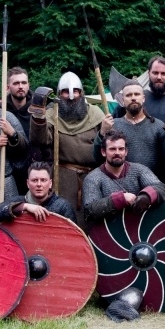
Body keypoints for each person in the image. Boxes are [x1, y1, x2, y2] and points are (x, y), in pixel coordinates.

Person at [30, 71, 104, 228]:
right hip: (62, 178)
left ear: (81, 93)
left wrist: (106, 132)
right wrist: (39, 118)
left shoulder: (96, 113)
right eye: (65, 92)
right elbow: (40, 140)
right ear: (59, 93)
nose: (71, 96)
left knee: (93, 219)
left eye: (75, 91)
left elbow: (106, 147)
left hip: (92, 176)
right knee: (65, 221)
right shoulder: (52, 115)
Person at [81, 130, 165, 225]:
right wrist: (120, 199)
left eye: (121, 149)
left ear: (126, 152)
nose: (117, 153)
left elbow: (160, 188)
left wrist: (146, 197)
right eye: (112, 149)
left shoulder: (139, 170)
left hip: (137, 226)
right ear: (103, 152)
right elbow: (89, 212)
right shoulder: (93, 178)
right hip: (107, 231)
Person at [94, 81, 165, 179]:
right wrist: (102, 133)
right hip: (119, 183)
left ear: (143, 98)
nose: (133, 98)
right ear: (122, 100)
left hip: (152, 183)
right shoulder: (113, 125)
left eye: (137, 94)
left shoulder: (158, 126)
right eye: (128, 95)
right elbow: (98, 158)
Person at [0, 161, 77, 223]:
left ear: (50, 183)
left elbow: (75, 237)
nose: (39, 184)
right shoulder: (17, 201)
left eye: (43, 180)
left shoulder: (63, 207)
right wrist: (23, 206)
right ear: (28, 183)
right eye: (34, 180)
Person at [6, 67, 32, 138]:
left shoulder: (37, 109)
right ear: (8, 88)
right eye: (16, 83)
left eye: (24, 83)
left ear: (28, 85)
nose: (20, 86)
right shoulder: (1, 110)